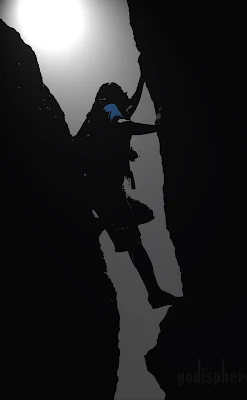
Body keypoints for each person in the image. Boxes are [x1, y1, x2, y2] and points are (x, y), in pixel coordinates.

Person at [75, 74, 179, 309]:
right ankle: (154, 294)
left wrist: (143, 80)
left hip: (97, 187)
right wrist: (158, 129)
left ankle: (105, 222)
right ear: (113, 96)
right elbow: (124, 123)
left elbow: (131, 104)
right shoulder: (111, 108)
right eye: (121, 92)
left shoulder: (98, 114)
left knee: (145, 214)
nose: (125, 96)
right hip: (107, 190)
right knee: (135, 243)